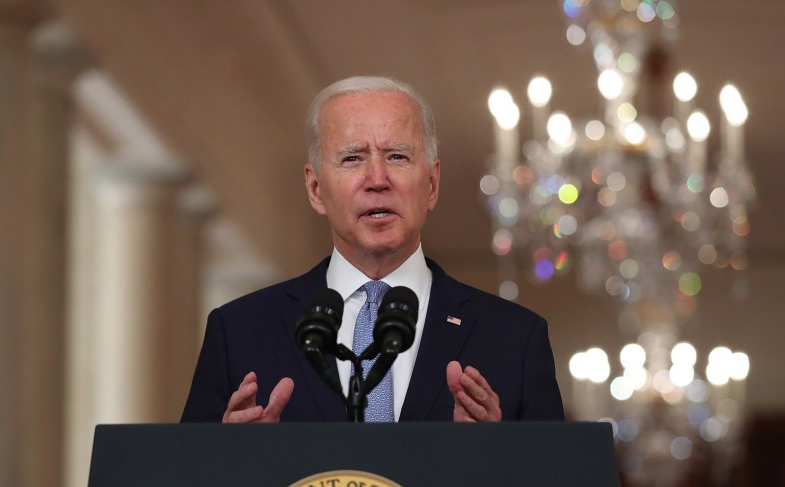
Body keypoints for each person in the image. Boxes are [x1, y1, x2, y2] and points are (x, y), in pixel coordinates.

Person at [181, 75, 564, 424]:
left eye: (397, 156)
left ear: (431, 184)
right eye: (352, 158)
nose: (377, 180)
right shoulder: (239, 332)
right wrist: (230, 459)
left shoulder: (515, 339)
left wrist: (502, 456)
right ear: (316, 189)